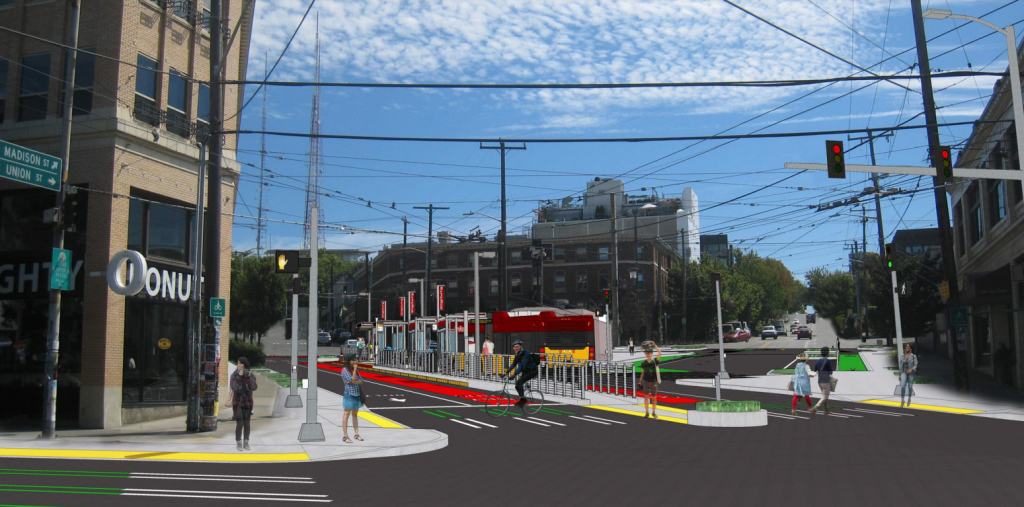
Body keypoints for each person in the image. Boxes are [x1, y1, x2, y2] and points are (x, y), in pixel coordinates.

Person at [225, 356, 257, 451]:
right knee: (240, 423)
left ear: (245, 365)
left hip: (248, 402)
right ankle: (238, 443)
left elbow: (254, 387)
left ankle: (246, 442)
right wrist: (239, 376)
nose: (238, 365)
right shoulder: (234, 375)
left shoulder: (251, 375)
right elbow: (234, 387)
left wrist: (248, 378)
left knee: (247, 424)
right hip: (238, 402)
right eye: (238, 363)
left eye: (240, 363)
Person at [504, 340, 538, 407]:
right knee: (517, 385)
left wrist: (514, 375)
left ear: (521, 346)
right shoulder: (518, 355)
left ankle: (523, 400)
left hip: (532, 371)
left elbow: (521, 366)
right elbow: (513, 365)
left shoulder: (526, 353)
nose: (516, 348)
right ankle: (523, 397)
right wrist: (506, 373)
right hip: (526, 371)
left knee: (519, 383)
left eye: (517, 346)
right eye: (515, 347)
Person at [340, 355, 365, 443]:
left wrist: (354, 381)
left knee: (355, 414)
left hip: (357, 394)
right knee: (346, 414)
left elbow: (361, 380)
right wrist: (354, 372)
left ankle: (356, 434)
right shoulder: (345, 370)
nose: (355, 362)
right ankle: (345, 436)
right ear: (348, 361)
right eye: (353, 360)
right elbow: (353, 380)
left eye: (355, 360)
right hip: (349, 395)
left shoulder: (355, 370)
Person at [639, 342, 662, 419]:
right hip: (645, 382)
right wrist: (640, 381)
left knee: (654, 397)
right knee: (646, 398)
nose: (648, 354)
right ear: (645, 354)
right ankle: (647, 413)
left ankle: (654, 413)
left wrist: (655, 345)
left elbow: (660, 353)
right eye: (646, 353)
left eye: (649, 352)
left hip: (654, 382)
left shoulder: (655, 361)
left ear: (652, 353)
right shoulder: (643, 362)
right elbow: (642, 373)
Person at [809, 346, 833, 417]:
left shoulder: (818, 360)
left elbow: (815, 370)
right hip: (826, 381)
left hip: (819, 381)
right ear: (827, 353)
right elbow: (830, 372)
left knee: (824, 396)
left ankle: (826, 410)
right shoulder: (828, 361)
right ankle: (815, 408)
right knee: (825, 396)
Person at [899, 343, 917, 408]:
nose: (907, 347)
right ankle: (902, 400)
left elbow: (915, 365)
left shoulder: (913, 356)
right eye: (906, 346)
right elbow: (900, 365)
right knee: (903, 386)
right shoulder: (902, 356)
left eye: (908, 346)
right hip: (904, 372)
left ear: (911, 348)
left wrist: (911, 370)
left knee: (910, 386)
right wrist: (899, 374)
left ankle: (909, 398)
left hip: (911, 373)